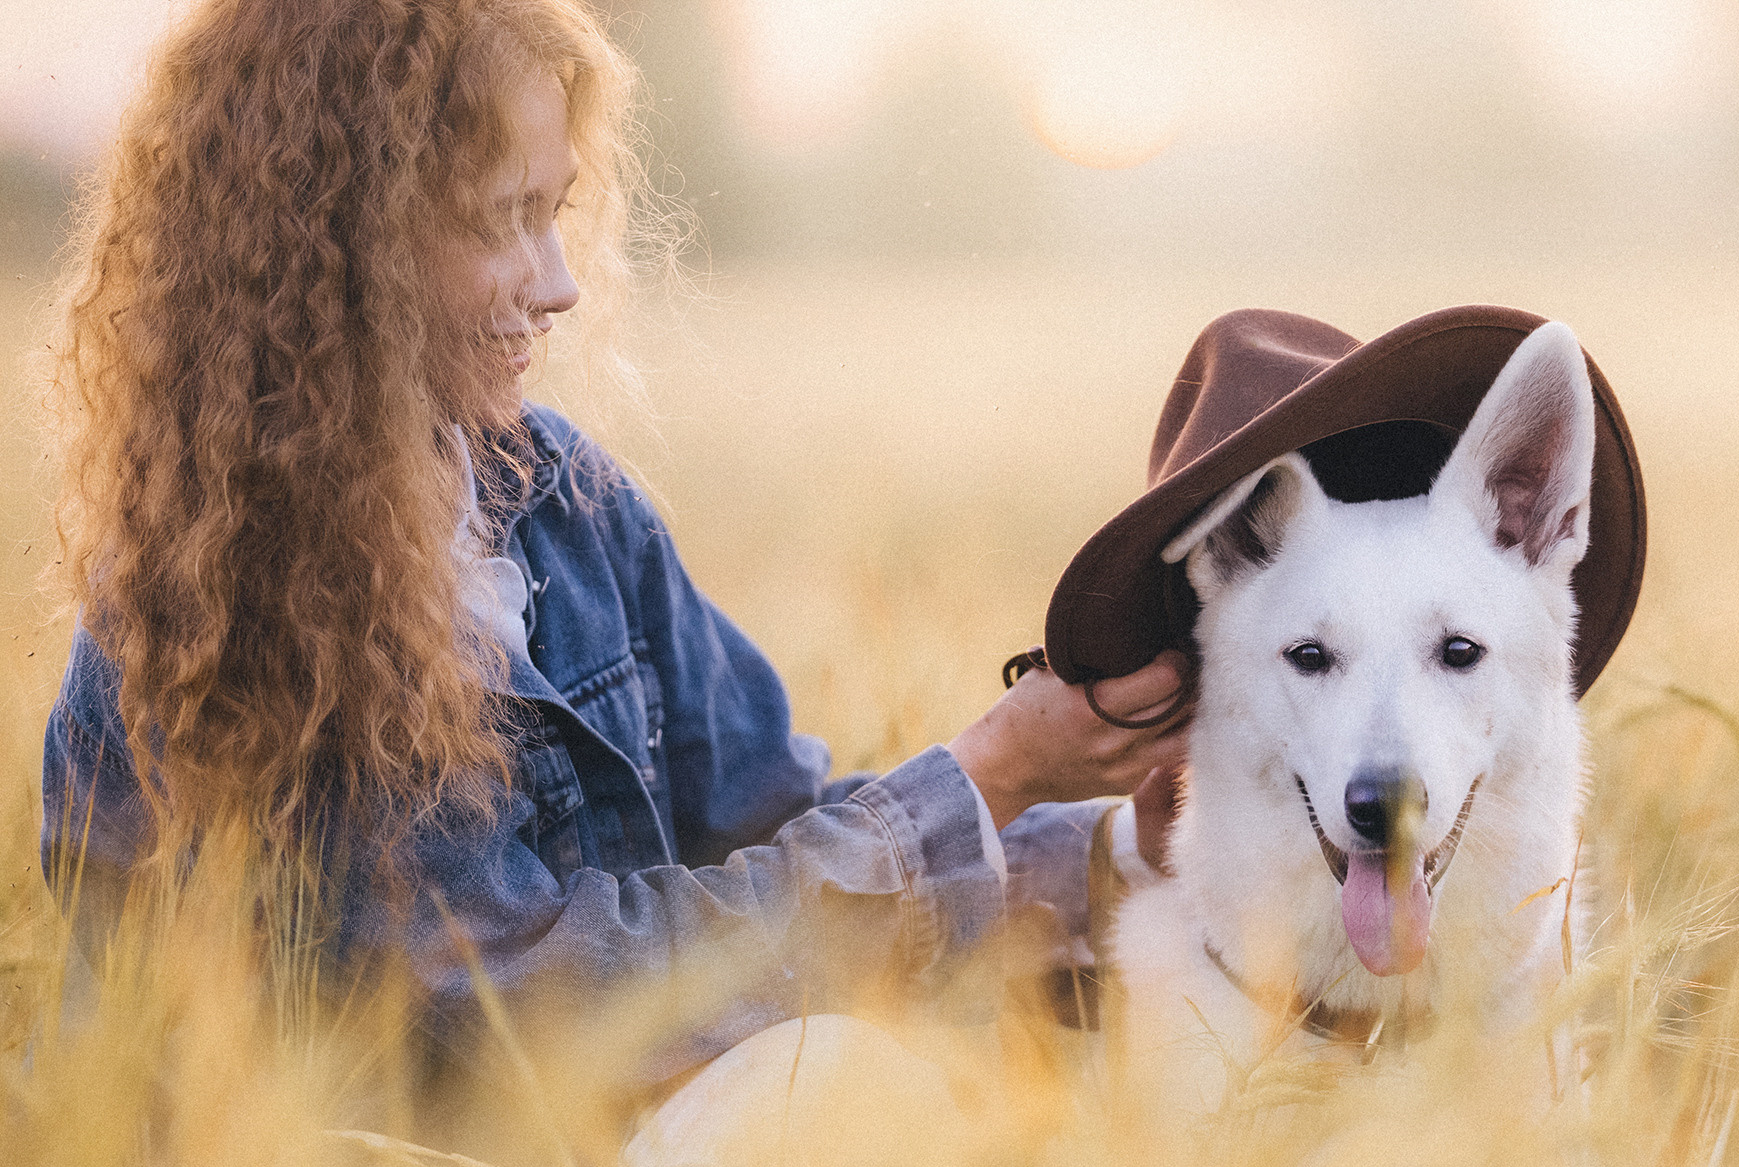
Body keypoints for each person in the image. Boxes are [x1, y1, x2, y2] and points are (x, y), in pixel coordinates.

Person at [38, 0, 1185, 1081]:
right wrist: (991, 769)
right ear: (343, 248)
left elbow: (773, 821)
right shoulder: (251, 603)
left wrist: (1113, 849)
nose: (560, 283)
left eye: (555, 210)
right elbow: (523, 1009)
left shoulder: (560, 497)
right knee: (857, 1089)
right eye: (502, 221)